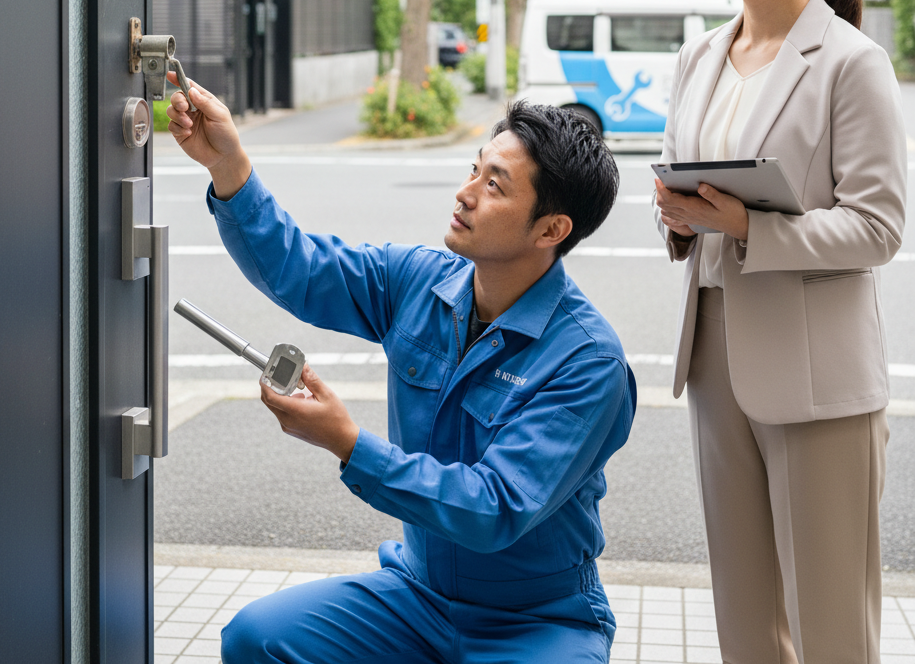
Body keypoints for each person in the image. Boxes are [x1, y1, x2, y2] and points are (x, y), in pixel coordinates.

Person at [165, 87, 635, 663]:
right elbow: (301, 270)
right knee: (257, 638)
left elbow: (494, 508)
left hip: (538, 620)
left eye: (494, 186)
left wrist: (348, 443)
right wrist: (227, 165)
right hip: (417, 596)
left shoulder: (589, 362)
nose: (464, 194)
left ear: (551, 230)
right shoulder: (416, 281)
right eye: (474, 170)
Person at [653, 0, 907, 664]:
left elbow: (878, 228)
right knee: (746, 621)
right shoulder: (699, 56)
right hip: (716, 357)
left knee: (832, 625)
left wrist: (747, 227)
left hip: (819, 381)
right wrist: (681, 219)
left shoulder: (850, 63)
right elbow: (697, 207)